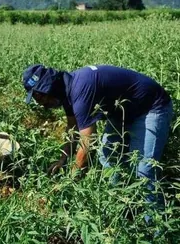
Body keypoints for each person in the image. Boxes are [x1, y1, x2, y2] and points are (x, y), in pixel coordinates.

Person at [22, 64, 173, 207]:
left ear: (46, 89)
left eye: (37, 97)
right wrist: (63, 159)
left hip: (151, 107)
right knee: (108, 156)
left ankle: (155, 228)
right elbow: (72, 128)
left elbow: (87, 144)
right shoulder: (66, 91)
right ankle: (118, 206)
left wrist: (69, 183)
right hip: (122, 112)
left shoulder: (80, 90)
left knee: (144, 170)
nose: (39, 103)